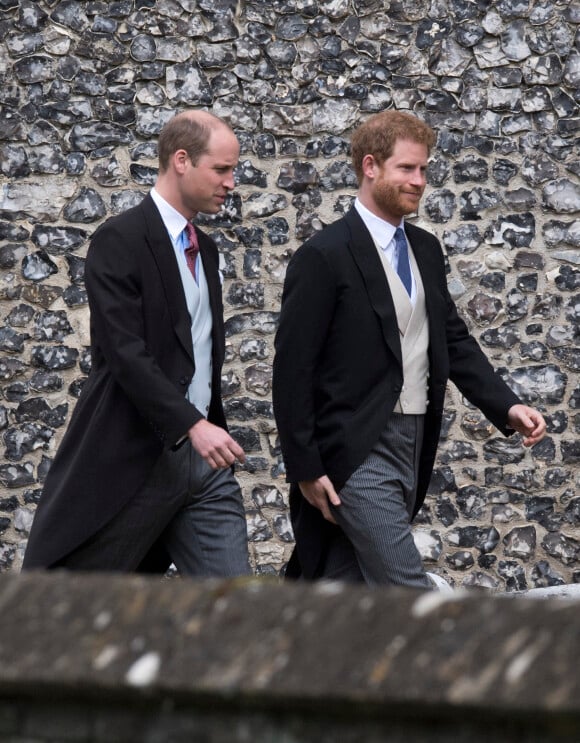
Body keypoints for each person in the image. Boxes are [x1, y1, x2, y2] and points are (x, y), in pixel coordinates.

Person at [272, 110, 546, 589]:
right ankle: (464, 662)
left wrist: (507, 406)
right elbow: (292, 370)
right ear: (371, 166)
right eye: (407, 168)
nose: (419, 181)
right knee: (406, 587)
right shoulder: (324, 256)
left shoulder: (423, 248)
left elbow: (451, 338)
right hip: (355, 448)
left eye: (423, 170)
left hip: (414, 439)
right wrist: (305, 468)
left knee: (344, 586)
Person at [22, 111, 251, 577]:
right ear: (181, 160)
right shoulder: (119, 239)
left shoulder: (204, 251)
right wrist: (191, 424)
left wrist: (205, 426)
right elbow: (125, 353)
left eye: (233, 171)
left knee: (235, 613)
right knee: (78, 604)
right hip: (136, 460)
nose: (231, 183)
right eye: (222, 169)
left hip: (205, 468)